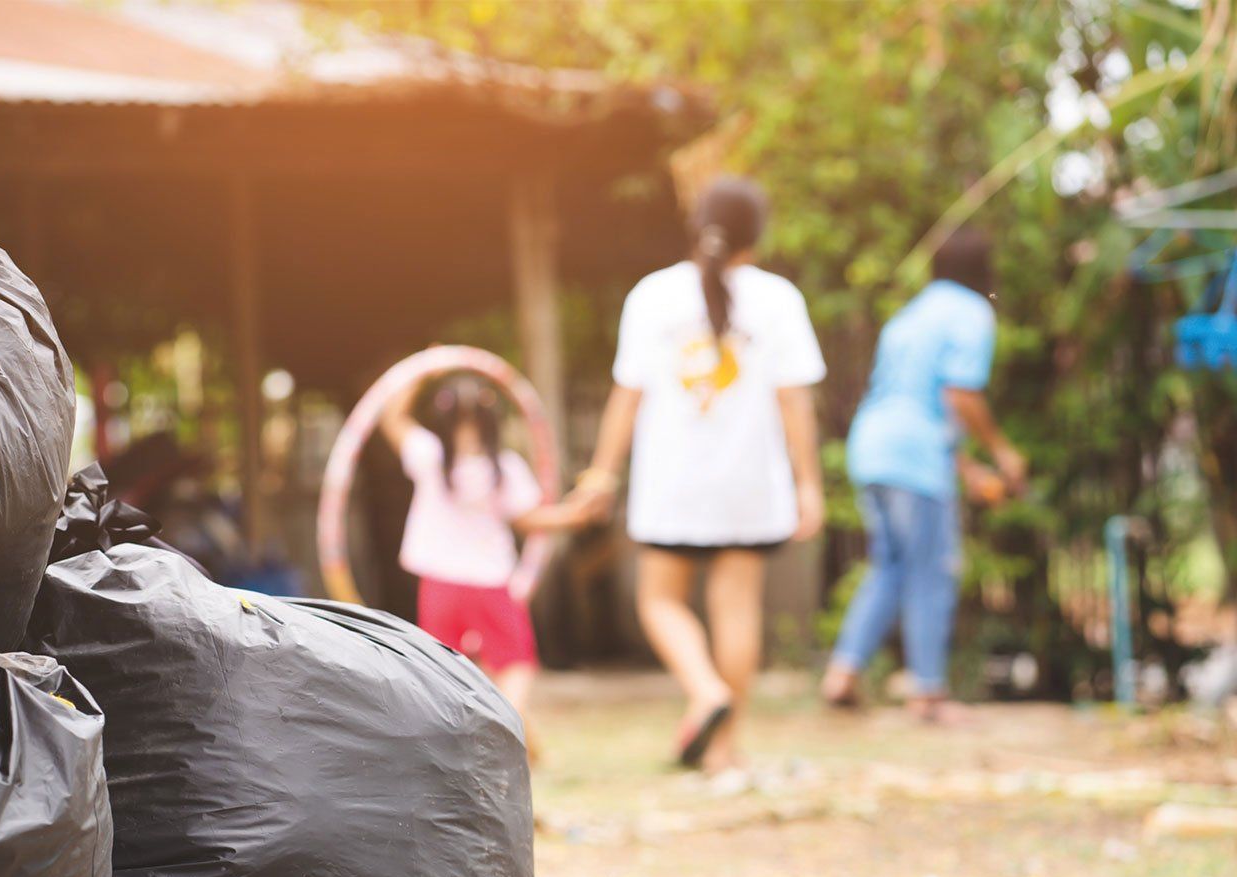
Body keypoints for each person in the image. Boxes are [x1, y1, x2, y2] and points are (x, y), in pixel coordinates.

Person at [570, 177, 826, 772]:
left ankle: (703, 689)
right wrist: (808, 483)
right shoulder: (779, 299)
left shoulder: (652, 296)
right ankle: (724, 747)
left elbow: (625, 398)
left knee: (659, 600)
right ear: (756, 237)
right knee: (736, 608)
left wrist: (602, 475)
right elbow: (795, 403)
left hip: (673, 483)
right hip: (750, 483)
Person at [821, 229, 1026, 723]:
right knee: (931, 569)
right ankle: (928, 693)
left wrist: (967, 467)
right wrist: (1002, 453)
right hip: (915, 455)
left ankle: (843, 674)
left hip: (873, 445)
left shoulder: (910, 314)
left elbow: (920, 399)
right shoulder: (972, 312)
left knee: (890, 565)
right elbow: (959, 395)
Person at [382, 372, 591, 763]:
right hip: (489, 582)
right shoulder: (504, 467)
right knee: (515, 663)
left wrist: (422, 373)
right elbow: (530, 519)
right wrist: (574, 514)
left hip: (440, 584)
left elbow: (392, 417)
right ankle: (501, 733)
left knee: (443, 669)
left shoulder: (428, 455)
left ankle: (491, 740)